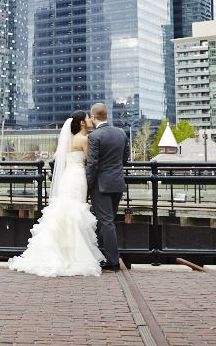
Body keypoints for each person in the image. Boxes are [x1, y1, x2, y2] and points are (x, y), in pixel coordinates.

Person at [8, 110, 104, 277]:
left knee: (64, 211)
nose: (90, 119)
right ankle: (74, 254)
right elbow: (91, 161)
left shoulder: (67, 140)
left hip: (67, 178)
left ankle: (59, 251)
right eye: (87, 118)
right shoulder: (84, 139)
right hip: (78, 177)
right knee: (75, 213)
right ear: (82, 122)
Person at [86, 102, 129, 271]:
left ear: (93, 117)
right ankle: (101, 254)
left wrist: (87, 185)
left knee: (106, 222)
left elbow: (92, 164)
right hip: (117, 182)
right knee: (108, 222)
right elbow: (125, 159)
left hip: (101, 185)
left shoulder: (94, 136)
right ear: (106, 115)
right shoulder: (121, 133)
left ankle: (113, 261)